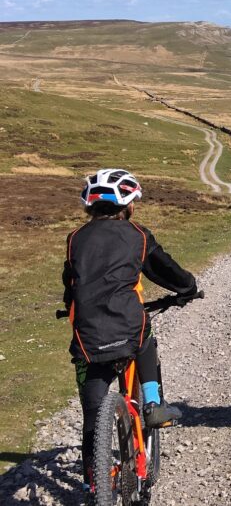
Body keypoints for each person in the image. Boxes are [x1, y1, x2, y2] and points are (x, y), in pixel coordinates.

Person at [63, 168, 199, 496]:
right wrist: (188, 288)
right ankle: (152, 404)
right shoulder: (137, 236)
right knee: (145, 332)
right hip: (128, 329)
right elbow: (167, 271)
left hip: (87, 337)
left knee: (94, 414)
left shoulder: (75, 239)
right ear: (129, 205)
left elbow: (70, 287)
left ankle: (91, 479)